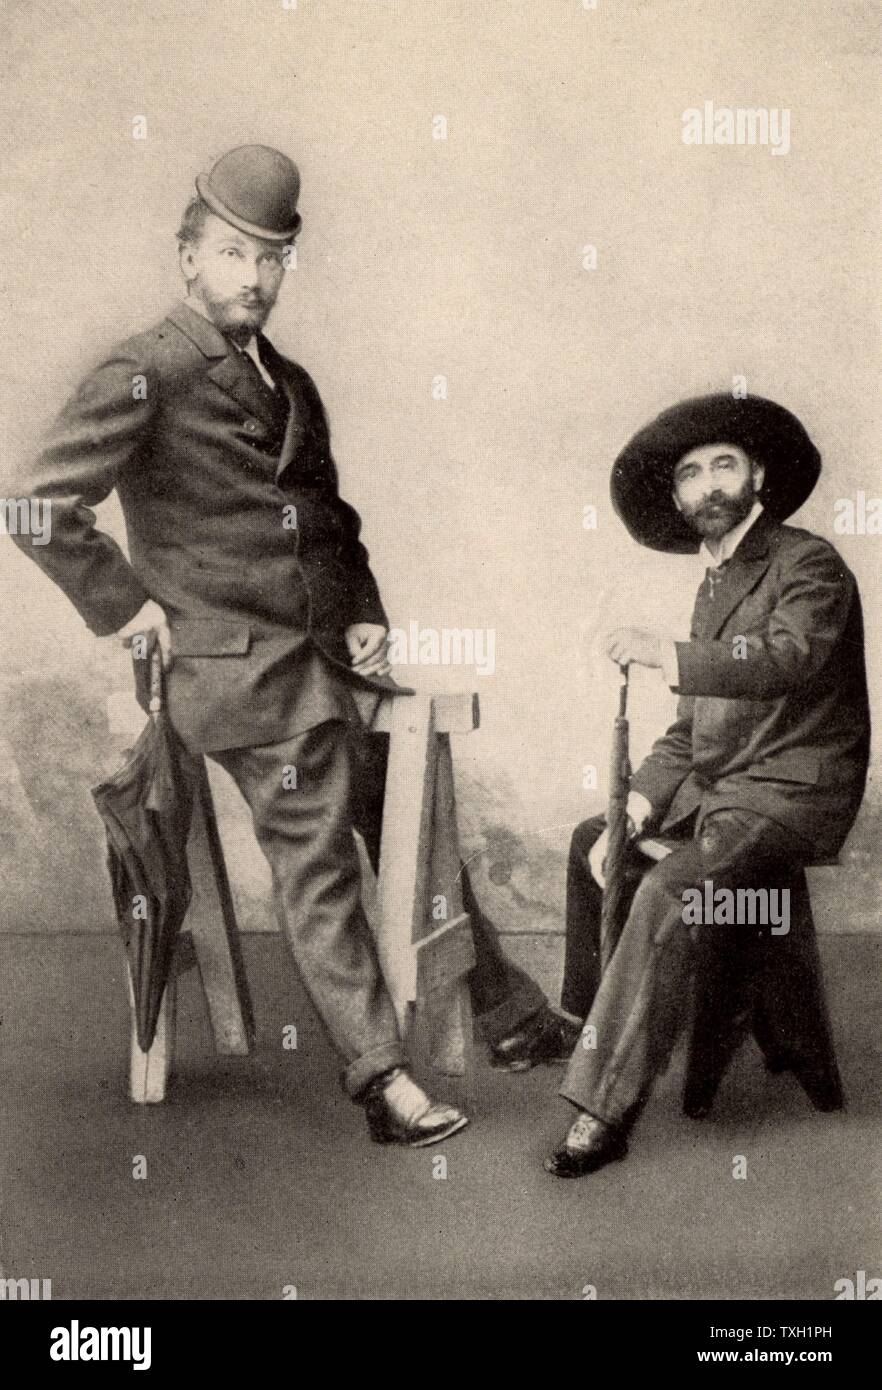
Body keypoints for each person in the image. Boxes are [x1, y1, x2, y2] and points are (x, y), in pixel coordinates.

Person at [6, 144, 560, 1145]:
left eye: (271, 259)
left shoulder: (289, 378)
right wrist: (127, 609)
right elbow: (36, 506)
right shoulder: (147, 370)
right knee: (319, 858)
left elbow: (331, 521)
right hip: (231, 677)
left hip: (320, 662)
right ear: (186, 259)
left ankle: (509, 1014)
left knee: (413, 805)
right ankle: (382, 1079)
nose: (253, 277)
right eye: (231, 254)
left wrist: (365, 615)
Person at [540, 394, 870, 1177]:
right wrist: (640, 803)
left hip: (792, 793)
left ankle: (602, 1106)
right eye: (690, 474)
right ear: (678, 499)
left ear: (757, 474)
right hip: (724, 791)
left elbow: (786, 659)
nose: (708, 485)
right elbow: (691, 734)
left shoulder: (808, 563)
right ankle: (590, 1024)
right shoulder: (713, 585)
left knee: (673, 891)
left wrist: (668, 652)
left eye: (724, 464)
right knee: (598, 837)